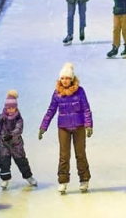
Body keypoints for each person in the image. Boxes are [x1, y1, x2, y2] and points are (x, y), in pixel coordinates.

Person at [39, 63, 94, 195]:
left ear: (72, 79)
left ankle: (84, 179)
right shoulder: (57, 93)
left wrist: (88, 125)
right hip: (63, 127)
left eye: (67, 78)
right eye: (62, 78)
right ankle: (63, 181)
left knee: (80, 154)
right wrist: (43, 126)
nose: (65, 81)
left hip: (79, 126)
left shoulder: (80, 91)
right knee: (64, 155)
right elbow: (51, 110)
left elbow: (86, 109)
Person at [0, 90, 37, 190]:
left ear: (16, 107)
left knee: (22, 161)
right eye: (9, 108)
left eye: (13, 107)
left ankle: (28, 177)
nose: (11, 110)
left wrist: (11, 135)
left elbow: (19, 129)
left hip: (16, 144)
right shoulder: (1, 117)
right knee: (4, 162)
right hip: (4, 144)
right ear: (5, 107)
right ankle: (5, 179)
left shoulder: (18, 118)